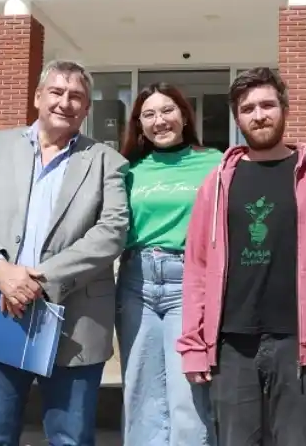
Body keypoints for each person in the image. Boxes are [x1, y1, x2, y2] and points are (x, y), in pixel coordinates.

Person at [0, 59, 129, 446]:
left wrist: (39, 280)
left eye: (76, 96)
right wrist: (0, 270)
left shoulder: (107, 161)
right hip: (0, 309)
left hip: (75, 320)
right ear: (37, 97)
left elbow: (112, 231)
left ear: (87, 108)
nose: (65, 102)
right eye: (57, 92)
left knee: (70, 439)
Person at [177, 67, 306, 446]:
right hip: (230, 343)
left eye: (267, 105)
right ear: (237, 118)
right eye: (247, 108)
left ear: (284, 109)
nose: (258, 115)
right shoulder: (218, 181)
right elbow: (197, 268)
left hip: (298, 341)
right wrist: (194, 346)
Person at [116, 83, 220, 446]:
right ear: (139, 124)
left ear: (184, 116)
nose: (160, 121)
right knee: (140, 392)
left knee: (188, 393)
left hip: (188, 283)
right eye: (149, 114)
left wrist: (303, 152)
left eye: (167, 111)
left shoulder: (215, 162)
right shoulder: (128, 169)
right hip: (135, 283)